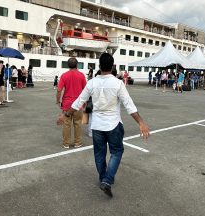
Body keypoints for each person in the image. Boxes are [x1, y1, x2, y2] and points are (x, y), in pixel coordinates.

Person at [58, 53, 150, 198]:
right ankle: (107, 180)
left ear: (99, 66)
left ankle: (103, 178)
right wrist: (141, 122)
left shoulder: (92, 82)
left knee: (99, 154)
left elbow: (79, 101)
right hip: (113, 124)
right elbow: (129, 105)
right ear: (112, 66)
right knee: (117, 151)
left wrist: (65, 114)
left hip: (97, 126)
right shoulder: (118, 83)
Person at [55, 58, 87, 149]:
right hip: (78, 104)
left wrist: (58, 101)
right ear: (77, 65)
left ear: (68, 65)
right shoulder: (81, 75)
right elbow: (85, 90)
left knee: (66, 124)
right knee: (77, 124)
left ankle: (66, 143)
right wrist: (85, 102)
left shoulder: (64, 75)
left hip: (66, 104)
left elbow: (59, 90)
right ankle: (77, 142)